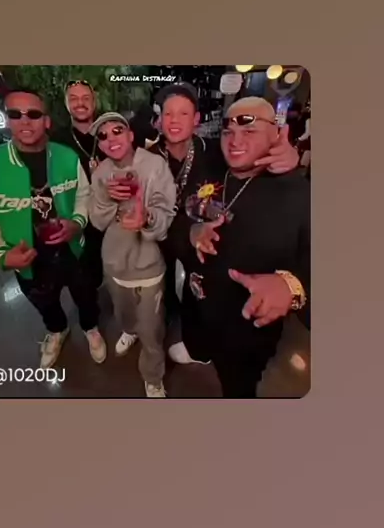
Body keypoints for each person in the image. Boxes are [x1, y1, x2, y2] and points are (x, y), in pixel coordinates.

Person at [148, 82, 300, 365]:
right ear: (159, 119)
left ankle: (205, 348)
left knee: (202, 294)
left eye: (183, 113)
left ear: (196, 119)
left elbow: (252, 162)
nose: (175, 120)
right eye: (168, 113)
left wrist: (290, 160)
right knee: (168, 286)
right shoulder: (147, 154)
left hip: (207, 247)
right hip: (163, 237)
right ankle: (180, 327)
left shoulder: (214, 153)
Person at [183, 97, 310, 398]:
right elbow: (181, 214)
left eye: (249, 130)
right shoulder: (210, 166)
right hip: (199, 309)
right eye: (228, 131)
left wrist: (293, 287)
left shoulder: (299, 195)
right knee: (202, 348)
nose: (235, 140)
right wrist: (192, 232)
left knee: (237, 385)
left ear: (277, 134)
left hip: (246, 331)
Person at [0, 88, 107, 369]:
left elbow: (84, 195)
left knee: (86, 294)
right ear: (7, 120)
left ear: (47, 121)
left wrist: (77, 223)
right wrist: (0, 255)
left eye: (33, 114)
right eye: (15, 114)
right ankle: (57, 330)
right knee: (45, 302)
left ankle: (91, 328)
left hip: (73, 248)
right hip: (26, 256)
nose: (25, 121)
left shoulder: (67, 157)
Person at [88, 113, 176, 398]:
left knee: (151, 329)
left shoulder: (154, 165)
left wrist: (146, 217)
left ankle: (153, 376)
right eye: (103, 135)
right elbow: (97, 221)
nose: (110, 138)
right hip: (115, 264)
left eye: (117, 130)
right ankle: (129, 330)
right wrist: (106, 197)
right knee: (123, 315)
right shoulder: (100, 173)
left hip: (148, 265)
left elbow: (166, 210)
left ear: (130, 135)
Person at [52, 80, 105, 288]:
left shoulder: (109, 132)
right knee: (87, 280)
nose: (80, 103)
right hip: (77, 221)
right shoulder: (56, 141)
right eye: (73, 99)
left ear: (94, 102)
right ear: (66, 104)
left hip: (111, 217)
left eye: (85, 98)